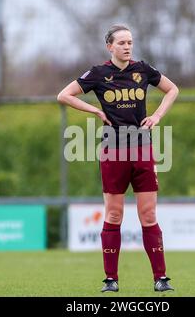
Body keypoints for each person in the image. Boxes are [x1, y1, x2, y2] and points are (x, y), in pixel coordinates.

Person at [57, 24, 179, 292]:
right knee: (114, 214)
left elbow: (172, 90)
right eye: (121, 43)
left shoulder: (143, 70)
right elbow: (64, 95)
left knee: (148, 214)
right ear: (109, 46)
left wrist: (157, 116)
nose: (127, 47)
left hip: (142, 148)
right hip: (113, 150)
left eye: (130, 42)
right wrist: (95, 111)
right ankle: (111, 280)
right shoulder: (99, 74)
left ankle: (161, 278)